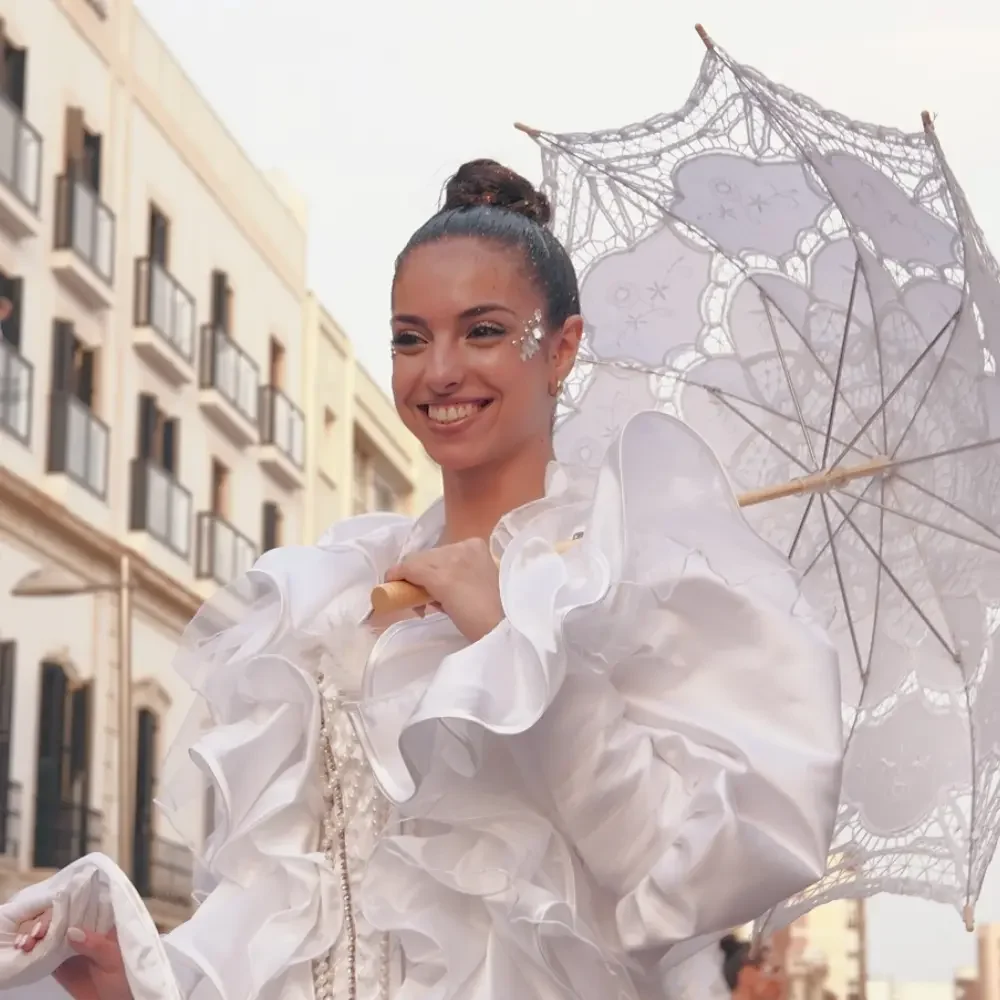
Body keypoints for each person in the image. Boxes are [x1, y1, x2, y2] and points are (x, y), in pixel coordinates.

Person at [0, 159, 843, 1000]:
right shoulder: (334, 596)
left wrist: (519, 651)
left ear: (562, 347)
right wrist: (144, 981)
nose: (438, 371)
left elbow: (686, 869)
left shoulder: (626, 586)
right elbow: (288, 912)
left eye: (481, 331)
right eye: (410, 337)